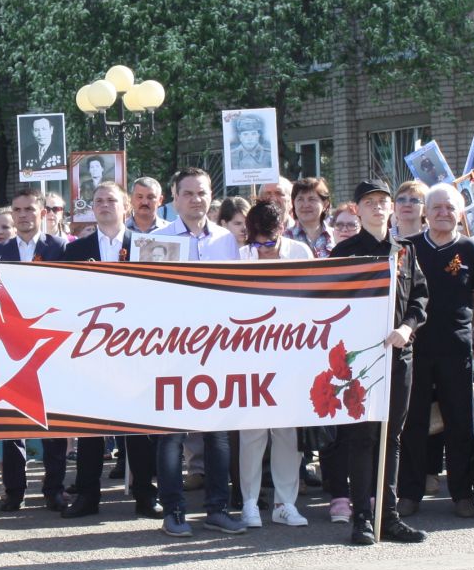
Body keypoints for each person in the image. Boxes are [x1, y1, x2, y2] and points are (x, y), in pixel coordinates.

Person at [329, 179, 428, 544]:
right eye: (369, 202)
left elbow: (419, 297)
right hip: (360, 361)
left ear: (390, 208)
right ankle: (362, 518)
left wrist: (407, 326)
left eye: (382, 201)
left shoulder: (405, 250)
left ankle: (389, 515)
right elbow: (329, 305)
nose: (377, 207)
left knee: (392, 435)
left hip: (399, 353)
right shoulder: (345, 252)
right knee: (362, 435)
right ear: (358, 209)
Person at [152, 167, 242, 538]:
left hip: (216, 348)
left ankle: (218, 508)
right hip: (170, 348)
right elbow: (147, 296)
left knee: (217, 434)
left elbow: (236, 292)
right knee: (171, 434)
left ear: (211, 195)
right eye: (188, 193)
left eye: (202, 193)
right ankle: (173, 511)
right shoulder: (155, 240)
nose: (196, 199)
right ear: (174, 199)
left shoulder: (226, 240)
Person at [58, 181, 153, 519]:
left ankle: (145, 495)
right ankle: (86, 496)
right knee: (91, 430)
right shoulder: (75, 250)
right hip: (92, 350)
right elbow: (66, 299)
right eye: (98, 200)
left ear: (125, 206)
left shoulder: (146, 246)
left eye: (111, 200)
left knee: (139, 429)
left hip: (136, 349)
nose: (103, 205)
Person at [400, 182, 474, 519]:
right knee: (413, 423)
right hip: (416, 349)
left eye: (450, 207)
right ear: (425, 210)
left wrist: (466, 331)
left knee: (461, 422)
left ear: (460, 212)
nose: (443, 212)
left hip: (457, 350)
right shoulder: (407, 248)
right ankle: (409, 493)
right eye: (436, 206)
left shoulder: (471, 250)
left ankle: (464, 494)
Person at [0, 187, 70, 512]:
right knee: (13, 424)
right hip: (10, 348)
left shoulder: (60, 248)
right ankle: (14, 489)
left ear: (43, 213)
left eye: (29, 210)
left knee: (53, 422)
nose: (23, 215)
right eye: (17, 209)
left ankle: (54, 489)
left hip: (49, 345)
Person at [236, 200, 313, 530]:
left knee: (287, 434)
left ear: (283, 229)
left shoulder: (301, 253)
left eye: (270, 243)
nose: (264, 250)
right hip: (251, 354)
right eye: (258, 243)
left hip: (291, 355)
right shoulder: (242, 256)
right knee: (252, 433)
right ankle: (250, 502)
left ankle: (285, 503)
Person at [288, 177, 333, 256]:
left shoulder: (335, 237)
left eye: (312, 199)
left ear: (325, 204)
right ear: (293, 203)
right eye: (300, 199)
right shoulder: (284, 238)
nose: (305, 205)